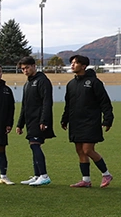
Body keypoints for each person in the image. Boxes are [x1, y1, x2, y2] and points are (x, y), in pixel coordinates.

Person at [61, 54, 115, 188]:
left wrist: (108, 119)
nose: (72, 65)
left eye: (75, 63)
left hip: (90, 122)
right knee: (79, 150)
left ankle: (106, 174)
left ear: (83, 66)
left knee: (87, 150)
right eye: (71, 63)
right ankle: (86, 180)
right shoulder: (71, 84)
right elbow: (68, 104)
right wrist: (64, 118)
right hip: (75, 122)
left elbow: (105, 102)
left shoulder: (94, 82)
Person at [16, 56, 55, 186]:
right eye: (22, 69)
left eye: (27, 68)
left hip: (39, 120)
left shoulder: (42, 81)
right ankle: (37, 175)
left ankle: (44, 175)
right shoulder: (27, 83)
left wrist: (44, 120)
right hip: (30, 120)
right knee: (33, 145)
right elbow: (24, 105)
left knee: (35, 144)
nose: (25, 71)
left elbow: (47, 102)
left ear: (34, 66)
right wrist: (20, 124)